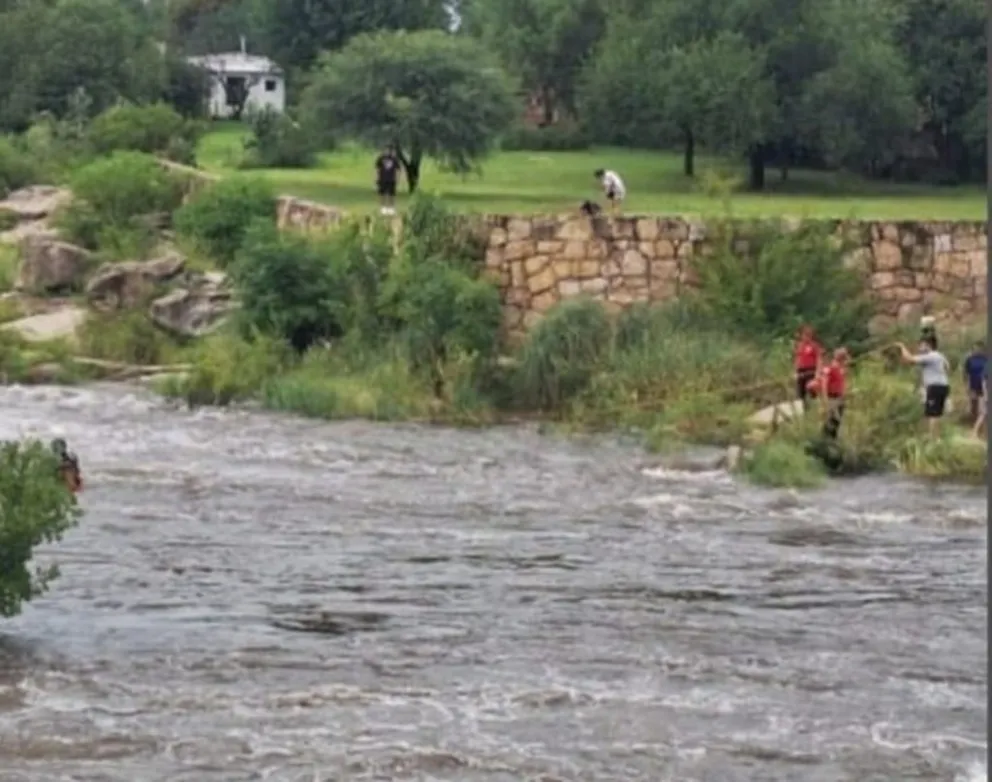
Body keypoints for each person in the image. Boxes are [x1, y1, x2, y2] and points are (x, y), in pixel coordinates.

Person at [896, 336, 951, 437]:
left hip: (935, 387)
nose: (919, 347)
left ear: (928, 346)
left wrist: (901, 346)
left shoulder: (931, 356)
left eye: (921, 345)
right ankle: (935, 436)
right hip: (943, 386)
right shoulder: (940, 356)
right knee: (937, 413)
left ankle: (932, 438)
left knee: (932, 414)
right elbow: (948, 367)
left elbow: (910, 359)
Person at [820, 347, 849, 439]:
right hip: (833, 397)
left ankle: (832, 439)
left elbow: (843, 382)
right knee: (832, 419)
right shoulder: (831, 367)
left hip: (840, 398)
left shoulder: (841, 368)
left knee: (837, 421)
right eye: (844, 358)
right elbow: (824, 383)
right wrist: (825, 398)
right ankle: (824, 438)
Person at [793, 325, 823, 412]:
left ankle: (816, 409)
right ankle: (803, 411)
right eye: (804, 335)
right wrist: (795, 372)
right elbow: (797, 359)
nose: (806, 337)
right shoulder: (800, 346)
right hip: (801, 371)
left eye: (808, 335)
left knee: (812, 391)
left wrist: (818, 372)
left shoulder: (814, 346)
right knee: (800, 392)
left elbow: (819, 359)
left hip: (811, 371)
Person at [962, 340, 987, 423]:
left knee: (982, 406)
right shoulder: (969, 359)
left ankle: (980, 424)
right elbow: (965, 372)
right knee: (973, 404)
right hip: (973, 384)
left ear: (982, 349)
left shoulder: (986, 359)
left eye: (978, 348)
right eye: (974, 348)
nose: (976, 349)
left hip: (984, 385)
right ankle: (973, 420)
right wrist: (966, 384)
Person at [374, 145, 401, 215]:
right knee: (382, 194)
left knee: (391, 194)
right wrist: (376, 177)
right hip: (382, 178)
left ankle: (391, 208)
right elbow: (377, 168)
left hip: (391, 179)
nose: (387, 151)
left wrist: (398, 178)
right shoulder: (380, 158)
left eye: (388, 150)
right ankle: (383, 208)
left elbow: (398, 169)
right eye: (386, 150)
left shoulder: (394, 159)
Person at [972, 362, 987, 439]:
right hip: (984, 395)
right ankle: (974, 433)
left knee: (984, 415)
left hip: (982, 394)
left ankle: (984, 434)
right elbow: (983, 383)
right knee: (983, 414)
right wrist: (986, 396)